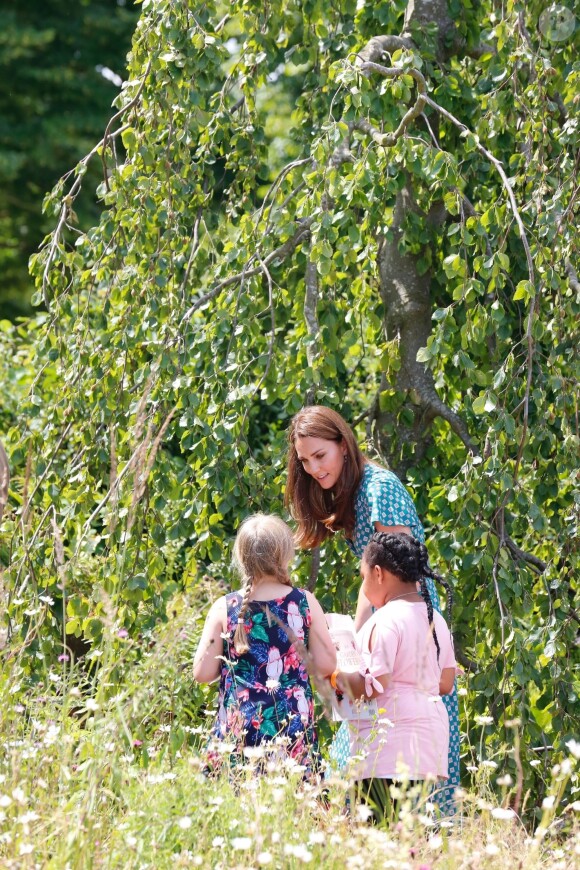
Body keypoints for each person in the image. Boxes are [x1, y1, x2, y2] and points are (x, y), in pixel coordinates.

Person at [285, 405, 460, 810]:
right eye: (304, 460)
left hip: (407, 634)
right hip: (392, 631)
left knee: (397, 754)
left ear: (343, 445)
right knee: (365, 748)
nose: (312, 468)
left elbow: (391, 571)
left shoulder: (378, 489)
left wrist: (355, 641)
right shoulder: (354, 491)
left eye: (320, 456)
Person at [193, 514, 337, 777]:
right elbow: (327, 664)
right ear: (285, 555)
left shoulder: (225, 607)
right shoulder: (304, 602)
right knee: (295, 811)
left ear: (241, 557)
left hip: (239, 731)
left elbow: (202, 674)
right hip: (292, 729)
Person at [328, 532, 457, 822]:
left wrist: (333, 674)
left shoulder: (385, 620)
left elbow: (375, 686)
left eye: (363, 577)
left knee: (376, 833)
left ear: (378, 573)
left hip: (387, 749)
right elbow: (446, 683)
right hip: (428, 747)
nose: (363, 585)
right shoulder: (435, 617)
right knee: (406, 832)